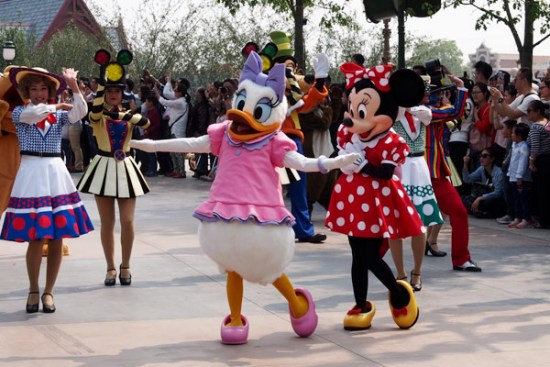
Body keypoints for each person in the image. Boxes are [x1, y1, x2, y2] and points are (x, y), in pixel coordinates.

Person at [130, 51, 359, 344]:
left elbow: (301, 163)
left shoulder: (274, 141)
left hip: (263, 213)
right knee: (233, 266)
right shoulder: (224, 134)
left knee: (269, 267)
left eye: (257, 110)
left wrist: (333, 162)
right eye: (241, 104)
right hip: (225, 212)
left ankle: (297, 303)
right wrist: (148, 145)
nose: (244, 116)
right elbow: (189, 143)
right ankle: (236, 317)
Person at [326, 63, 424, 331]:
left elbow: (385, 174)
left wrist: (362, 166)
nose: (352, 119)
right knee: (357, 255)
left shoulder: (391, 142)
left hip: (377, 202)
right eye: (352, 110)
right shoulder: (348, 135)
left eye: (361, 111)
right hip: (352, 200)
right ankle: (361, 304)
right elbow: (341, 156)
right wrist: (340, 162)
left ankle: (399, 292)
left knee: (368, 256)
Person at [1, 66, 93, 313]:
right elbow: (35, 114)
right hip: (31, 173)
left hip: (55, 173)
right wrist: (56, 107)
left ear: (50, 90)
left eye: (44, 88)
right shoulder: (20, 112)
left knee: (56, 237)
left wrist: (73, 86)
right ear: (26, 91)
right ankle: (33, 289)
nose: (40, 93)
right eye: (34, 88)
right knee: (35, 237)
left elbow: (81, 112)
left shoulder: (60, 115)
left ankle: (49, 292)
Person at [77, 49, 151, 286]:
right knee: (107, 223)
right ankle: (110, 267)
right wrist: (100, 86)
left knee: (128, 221)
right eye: (109, 91)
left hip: (125, 167)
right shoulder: (98, 115)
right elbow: (94, 115)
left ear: (122, 93)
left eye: (116, 91)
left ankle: (126, 265)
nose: (113, 95)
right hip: (103, 167)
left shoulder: (129, 115)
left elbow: (146, 122)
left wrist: (126, 116)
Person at [389, 75, 444, 292]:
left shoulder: (423, 112)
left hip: (419, 169)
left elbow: (422, 113)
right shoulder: (392, 114)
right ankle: (401, 273)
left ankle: (417, 272)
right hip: (398, 169)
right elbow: (399, 113)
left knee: (419, 224)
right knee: (396, 224)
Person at [424, 70, 482, 272]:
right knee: (397, 219)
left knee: (458, 212)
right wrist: (459, 89)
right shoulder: (421, 111)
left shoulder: (425, 110)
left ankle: (461, 259)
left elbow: (451, 114)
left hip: (435, 175)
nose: (440, 96)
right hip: (415, 176)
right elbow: (454, 112)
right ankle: (372, 257)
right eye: (436, 93)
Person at [156, 78, 189, 178]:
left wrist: (157, 94)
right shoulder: (180, 101)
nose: (174, 92)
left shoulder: (181, 102)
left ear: (180, 92)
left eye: (176, 90)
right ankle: (176, 170)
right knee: (172, 152)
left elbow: (165, 102)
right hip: (173, 129)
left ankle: (181, 171)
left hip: (178, 131)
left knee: (178, 152)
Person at [462, 146, 506, 218]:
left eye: (485, 156)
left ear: (492, 159)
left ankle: (479, 210)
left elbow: (498, 192)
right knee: (463, 198)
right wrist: (465, 164)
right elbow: (467, 180)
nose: (481, 158)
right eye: (481, 156)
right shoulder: (481, 169)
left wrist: (481, 198)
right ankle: (478, 210)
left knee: (492, 203)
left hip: (495, 198)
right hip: (486, 196)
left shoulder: (498, 172)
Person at [526, 100, 550, 228]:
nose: (527, 113)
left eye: (530, 111)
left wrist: (531, 162)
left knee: (541, 191)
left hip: (540, 161)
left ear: (538, 112)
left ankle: (543, 220)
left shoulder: (536, 126)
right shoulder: (547, 124)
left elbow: (535, 147)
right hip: (548, 159)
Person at [506, 123, 532, 228]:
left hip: (521, 178)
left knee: (523, 199)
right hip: (513, 177)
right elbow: (512, 161)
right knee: (516, 198)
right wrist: (509, 174)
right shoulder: (514, 145)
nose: (511, 135)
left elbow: (523, 162)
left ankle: (526, 218)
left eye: (513, 133)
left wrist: (519, 176)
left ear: (519, 135)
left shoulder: (524, 146)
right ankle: (518, 217)